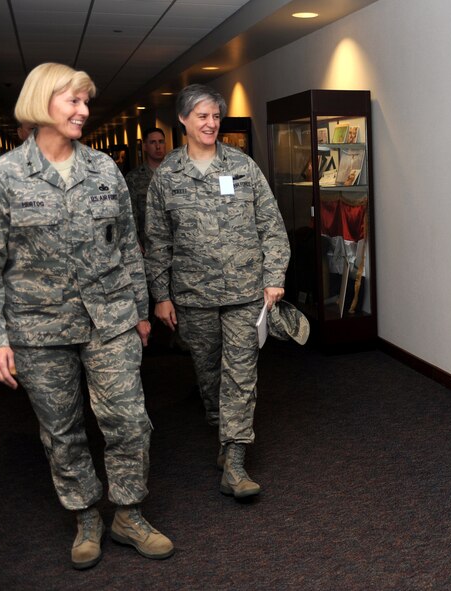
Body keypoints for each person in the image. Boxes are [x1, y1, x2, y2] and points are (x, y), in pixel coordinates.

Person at [0, 63, 173, 570]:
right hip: (38, 330)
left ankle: (127, 513)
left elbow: (128, 245)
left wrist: (141, 310)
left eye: (86, 102)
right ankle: (85, 516)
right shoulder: (5, 176)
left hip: (111, 321)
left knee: (128, 420)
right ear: (41, 103)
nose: (84, 110)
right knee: (62, 431)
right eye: (74, 101)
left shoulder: (103, 171)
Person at [145, 84, 290, 500]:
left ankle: (236, 459)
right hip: (193, 296)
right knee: (210, 375)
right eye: (202, 117)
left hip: (246, 293)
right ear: (184, 121)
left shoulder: (243, 167)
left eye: (215, 117)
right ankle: (222, 433)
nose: (211, 124)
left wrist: (274, 276)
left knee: (241, 375)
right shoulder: (167, 176)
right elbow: (156, 242)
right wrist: (161, 295)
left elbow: (272, 226)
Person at [125, 127, 166, 251]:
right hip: (149, 243)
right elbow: (130, 213)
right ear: (144, 146)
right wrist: (135, 239)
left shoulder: (176, 174)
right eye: (153, 142)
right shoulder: (134, 178)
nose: (158, 146)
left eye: (161, 142)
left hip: (177, 242)